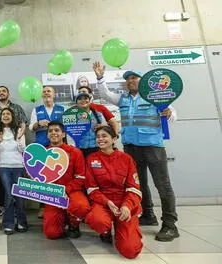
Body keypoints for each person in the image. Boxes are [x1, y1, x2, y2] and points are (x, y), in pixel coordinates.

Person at [93, 61, 179, 241]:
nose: (130, 81)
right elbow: (105, 94)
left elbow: (172, 114)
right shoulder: (123, 98)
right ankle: (148, 215)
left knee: (162, 185)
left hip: (153, 146)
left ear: (143, 81)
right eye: (128, 79)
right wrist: (100, 77)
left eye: (134, 78)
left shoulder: (154, 96)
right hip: (131, 148)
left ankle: (170, 225)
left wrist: (169, 114)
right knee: (137, 184)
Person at [85, 125, 143, 259]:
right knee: (97, 220)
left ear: (114, 138)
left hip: (124, 202)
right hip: (103, 202)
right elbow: (91, 188)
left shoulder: (126, 159)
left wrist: (127, 207)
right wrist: (107, 202)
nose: (100, 139)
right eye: (98, 137)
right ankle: (105, 231)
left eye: (104, 136)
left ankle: (123, 229)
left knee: (130, 251)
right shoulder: (92, 159)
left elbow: (134, 188)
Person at [0, 85, 28, 218]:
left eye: (3, 91)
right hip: (0, 148)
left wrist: (20, 136)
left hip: (16, 150)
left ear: (8, 93)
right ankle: (0, 205)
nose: (1, 93)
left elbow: (23, 123)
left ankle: (16, 207)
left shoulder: (17, 108)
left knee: (17, 182)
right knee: (0, 177)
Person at [43, 121, 90, 239]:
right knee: (52, 233)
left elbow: (81, 177)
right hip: (53, 194)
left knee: (81, 207)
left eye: (56, 130)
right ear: (47, 135)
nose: (53, 133)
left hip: (72, 191)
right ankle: (61, 218)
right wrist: (33, 176)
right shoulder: (43, 153)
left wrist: (67, 190)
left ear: (63, 134)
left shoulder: (75, 152)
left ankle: (73, 224)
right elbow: (41, 178)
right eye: (50, 131)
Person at [29, 86, 64, 218]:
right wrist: (38, 123)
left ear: (54, 94)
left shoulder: (61, 109)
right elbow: (31, 128)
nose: (46, 93)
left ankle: (59, 203)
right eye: (44, 92)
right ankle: (43, 206)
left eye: (49, 91)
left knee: (58, 176)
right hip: (41, 148)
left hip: (58, 147)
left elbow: (66, 128)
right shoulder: (36, 110)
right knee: (43, 177)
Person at [0, 108, 27, 235]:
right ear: (0, 117)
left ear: (12, 116)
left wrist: (18, 138)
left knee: (19, 195)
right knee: (8, 194)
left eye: (8, 114)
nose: (5, 116)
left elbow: (22, 149)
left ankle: (22, 222)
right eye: (3, 114)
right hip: (4, 166)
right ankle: (8, 223)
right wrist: (0, 141)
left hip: (18, 165)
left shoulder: (19, 130)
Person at [73, 92, 107, 157]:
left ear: (89, 101)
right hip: (79, 149)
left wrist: (103, 127)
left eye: (85, 98)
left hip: (96, 148)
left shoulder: (98, 115)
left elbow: (107, 131)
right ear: (76, 102)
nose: (83, 100)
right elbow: (69, 135)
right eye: (80, 99)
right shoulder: (72, 116)